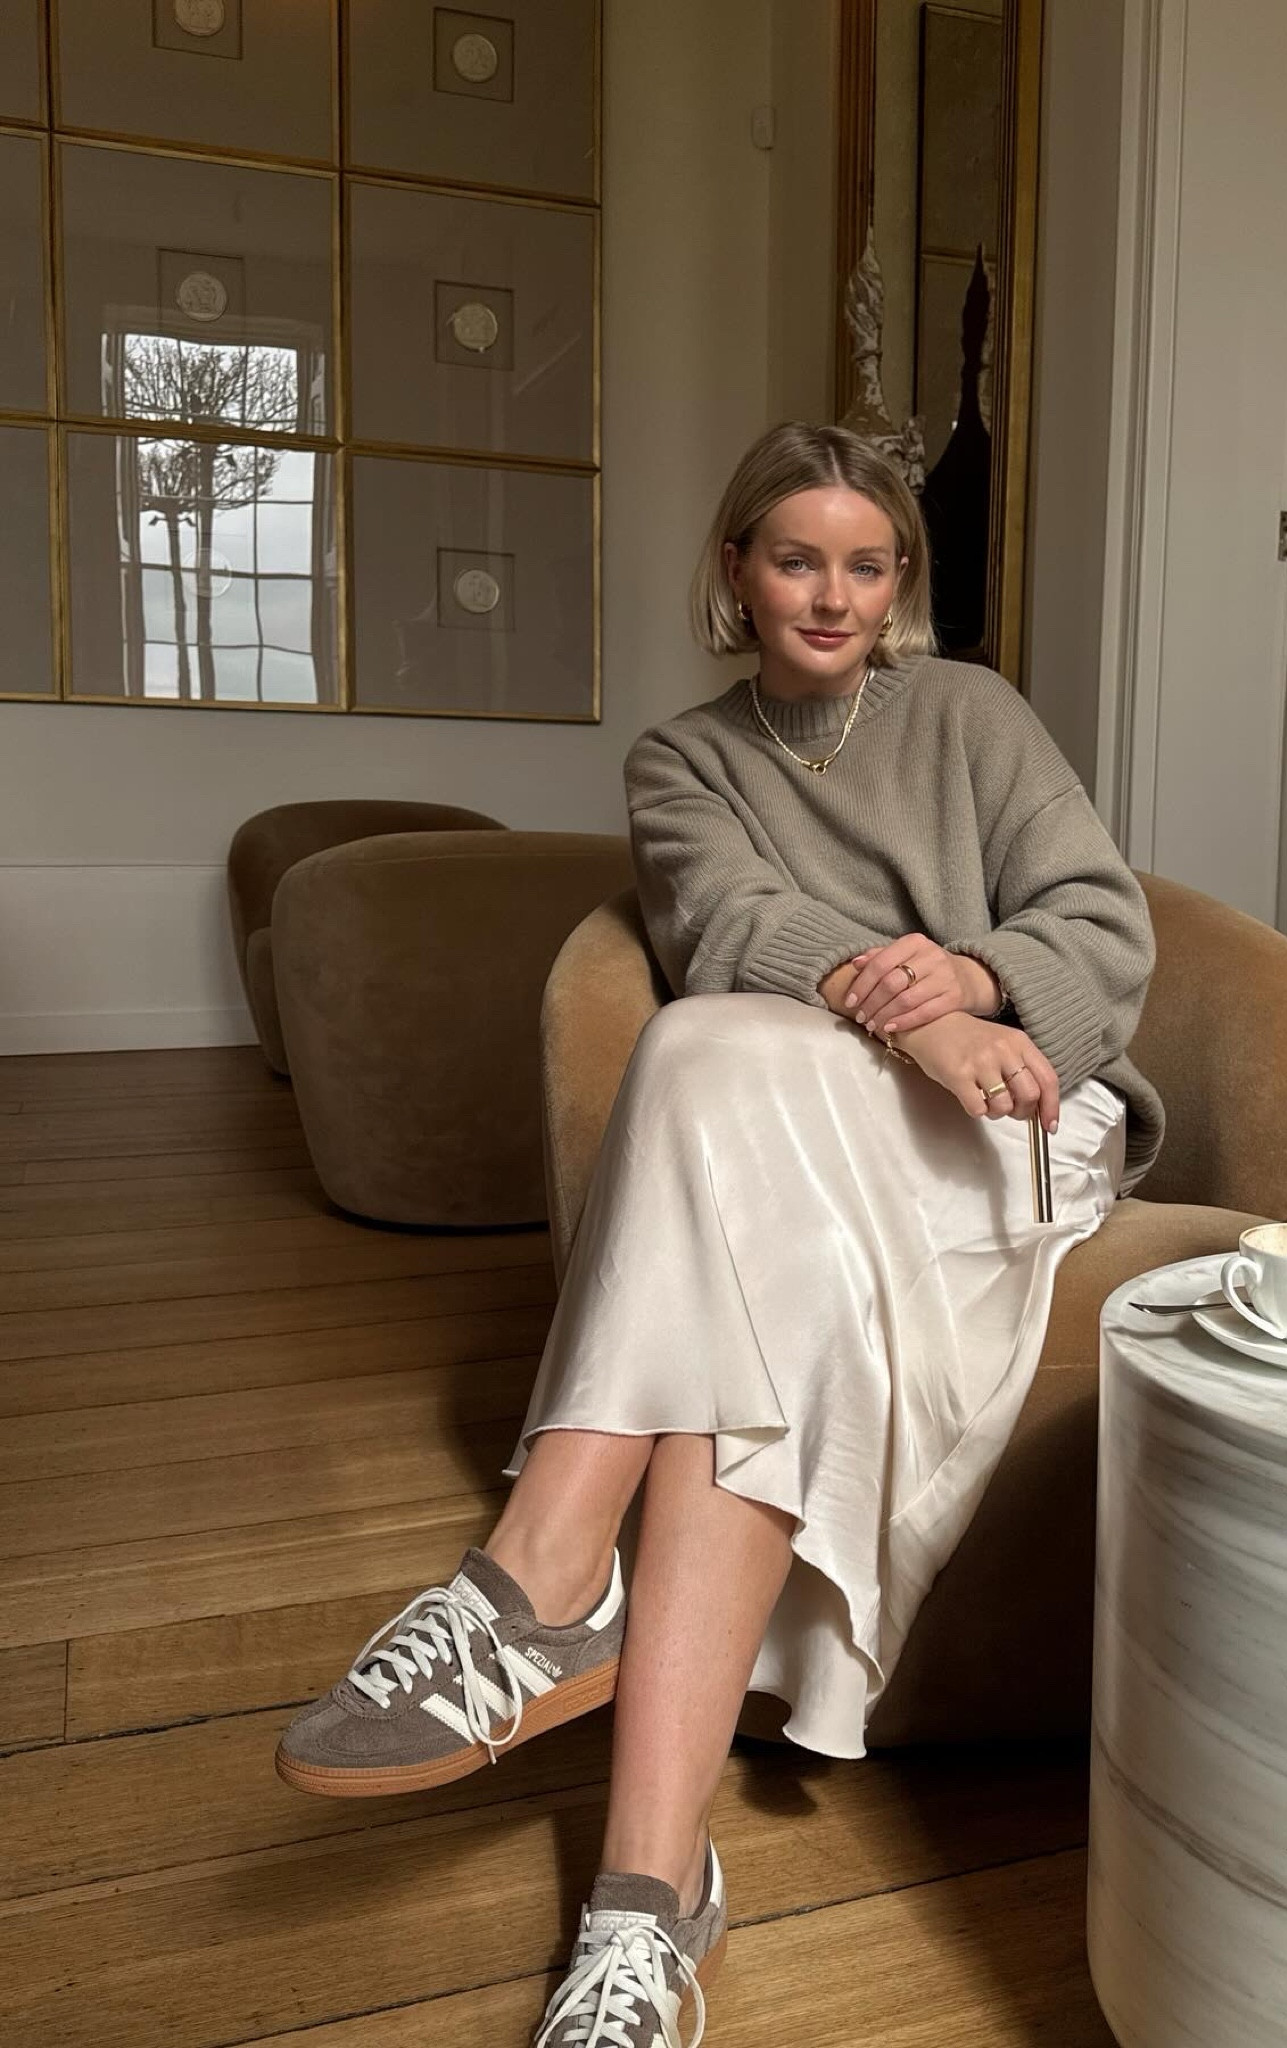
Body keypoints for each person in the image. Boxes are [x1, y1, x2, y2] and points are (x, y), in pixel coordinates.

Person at [274, 422, 1161, 2047]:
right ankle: (646, 1896)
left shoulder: (972, 714)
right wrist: (898, 1010)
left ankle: (545, 1569)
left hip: (1012, 1121)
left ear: (902, 583)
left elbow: (1103, 929)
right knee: (709, 1071)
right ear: (735, 572)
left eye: (869, 564)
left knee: (699, 1060)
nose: (834, 596)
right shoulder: (683, 759)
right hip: (805, 1125)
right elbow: (723, 926)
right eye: (797, 558)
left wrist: (966, 990)